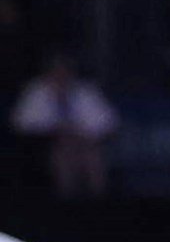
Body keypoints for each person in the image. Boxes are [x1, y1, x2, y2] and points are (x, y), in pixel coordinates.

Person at [10, 52, 119, 198]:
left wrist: (83, 134)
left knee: (92, 155)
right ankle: (66, 198)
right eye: (56, 72)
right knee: (64, 151)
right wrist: (56, 130)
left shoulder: (86, 91)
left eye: (65, 72)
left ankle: (98, 198)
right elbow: (21, 122)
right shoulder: (35, 91)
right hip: (45, 142)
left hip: (84, 142)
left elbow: (108, 122)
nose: (61, 77)